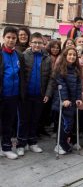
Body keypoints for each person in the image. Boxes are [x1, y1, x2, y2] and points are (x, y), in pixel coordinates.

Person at [16, 32, 52, 156]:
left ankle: (32, 142)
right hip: (25, 95)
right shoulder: (23, 56)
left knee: (35, 120)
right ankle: (21, 144)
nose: (37, 45)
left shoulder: (47, 58)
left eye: (39, 42)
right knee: (23, 120)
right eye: (35, 42)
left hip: (40, 95)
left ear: (43, 44)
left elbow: (51, 78)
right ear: (30, 43)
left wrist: (47, 93)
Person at [0, 26, 25, 160]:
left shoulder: (19, 55)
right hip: (2, 94)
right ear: (4, 38)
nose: (11, 40)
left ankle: (7, 147)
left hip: (13, 95)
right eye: (8, 37)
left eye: (13, 38)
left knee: (8, 123)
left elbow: (22, 76)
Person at [51, 47, 82, 155]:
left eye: (74, 55)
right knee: (65, 124)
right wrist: (64, 99)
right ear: (65, 56)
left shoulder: (76, 69)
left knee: (70, 123)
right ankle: (59, 144)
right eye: (69, 54)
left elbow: (78, 85)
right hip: (63, 101)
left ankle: (63, 142)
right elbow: (61, 86)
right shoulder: (60, 68)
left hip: (73, 101)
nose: (72, 57)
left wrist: (79, 98)